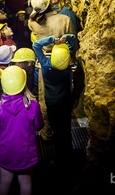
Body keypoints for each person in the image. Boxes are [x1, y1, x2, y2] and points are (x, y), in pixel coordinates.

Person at [28, 0, 76, 141]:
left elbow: (33, 17)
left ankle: (47, 132)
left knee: (45, 99)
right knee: (63, 96)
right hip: (62, 61)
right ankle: (64, 130)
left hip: (44, 64)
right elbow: (73, 45)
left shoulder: (33, 22)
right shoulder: (64, 20)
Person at [0, 65, 44, 195]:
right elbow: (38, 126)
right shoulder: (32, 106)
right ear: (24, 83)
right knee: (25, 182)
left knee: (4, 181)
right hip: (25, 152)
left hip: (5, 152)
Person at [32, 35, 73, 189]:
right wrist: (66, 38)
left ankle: (59, 159)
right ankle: (67, 156)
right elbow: (73, 41)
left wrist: (51, 40)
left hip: (52, 102)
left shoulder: (46, 64)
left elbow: (36, 45)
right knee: (66, 129)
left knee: (56, 129)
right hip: (65, 101)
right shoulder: (66, 66)